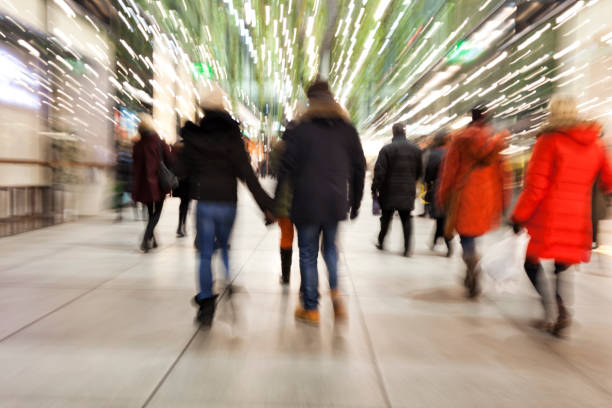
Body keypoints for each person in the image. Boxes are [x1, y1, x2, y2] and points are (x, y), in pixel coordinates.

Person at [511, 95, 612, 336]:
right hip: (578, 216)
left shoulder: (549, 140)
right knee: (562, 265)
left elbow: (536, 186)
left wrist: (518, 216)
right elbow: (608, 180)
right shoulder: (595, 143)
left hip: (547, 215)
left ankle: (552, 305)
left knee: (530, 262)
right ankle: (563, 310)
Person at [177, 88, 275, 326]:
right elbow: (248, 175)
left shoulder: (195, 137)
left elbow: (181, 172)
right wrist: (266, 205)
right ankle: (229, 280)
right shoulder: (232, 138)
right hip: (228, 204)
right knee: (224, 248)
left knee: (205, 254)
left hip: (205, 204)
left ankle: (206, 302)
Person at [275, 80, 366, 325]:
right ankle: (335, 291)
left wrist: (276, 200)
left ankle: (311, 308)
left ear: (309, 100)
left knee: (307, 253)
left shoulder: (300, 129)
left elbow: (285, 167)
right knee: (330, 250)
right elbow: (359, 166)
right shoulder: (347, 129)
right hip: (335, 201)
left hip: (306, 200)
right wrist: (355, 201)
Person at [438, 105, 509, 298]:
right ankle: (474, 261)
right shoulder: (494, 141)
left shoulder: (460, 139)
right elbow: (503, 173)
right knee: (476, 231)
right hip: (487, 194)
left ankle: (471, 262)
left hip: (464, 191)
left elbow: (450, 169)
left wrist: (443, 194)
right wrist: (504, 200)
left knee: (466, 234)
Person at [372, 123, 423, 256]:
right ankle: (407, 249)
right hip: (407, 189)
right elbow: (419, 170)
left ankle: (381, 242)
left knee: (386, 218)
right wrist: (412, 181)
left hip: (388, 191)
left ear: (393, 133)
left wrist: (375, 188)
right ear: (405, 133)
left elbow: (379, 172)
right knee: (406, 219)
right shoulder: (416, 149)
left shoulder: (387, 149)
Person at [132, 116, 173, 253]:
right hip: (158, 183)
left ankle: (152, 240)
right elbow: (170, 160)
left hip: (143, 184)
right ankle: (146, 238)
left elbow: (135, 166)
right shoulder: (159, 143)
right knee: (158, 211)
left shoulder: (137, 146)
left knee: (150, 212)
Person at [271, 127, 296, 286]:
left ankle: (286, 276)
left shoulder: (279, 147)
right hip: (304, 199)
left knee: (286, 236)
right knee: (307, 243)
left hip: (283, 198)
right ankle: (305, 284)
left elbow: (274, 168)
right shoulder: (306, 145)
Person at [424, 131, 452, 257]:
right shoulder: (452, 152)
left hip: (438, 187)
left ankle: (446, 243)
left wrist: (428, 187)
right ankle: (438, 240)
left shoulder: (434, 154)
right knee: (445, 217)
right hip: (451, 188)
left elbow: (428, 174)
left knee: (441, 217)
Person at [171, 137, 190, 238]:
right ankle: (183, 226)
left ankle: (180, 226)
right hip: (188, 180)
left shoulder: (176, 147)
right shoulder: (190, 147)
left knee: (182, 203)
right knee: (185, 204)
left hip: (179, 179)